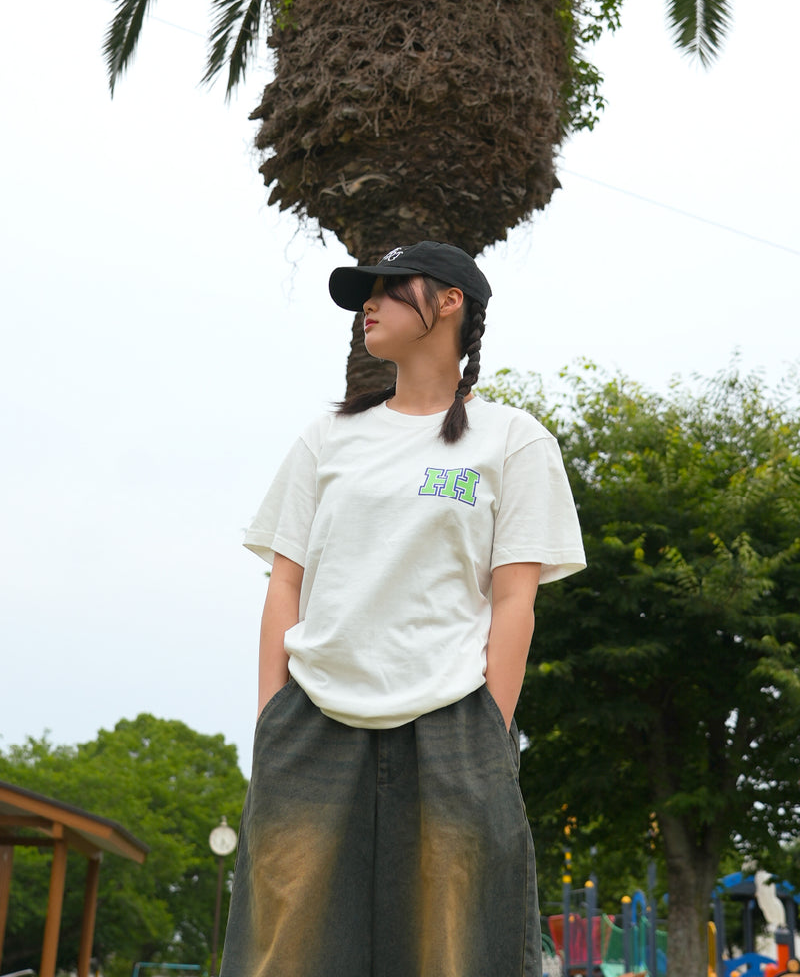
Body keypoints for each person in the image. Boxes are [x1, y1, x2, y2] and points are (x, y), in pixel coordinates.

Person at [220, 241, 586, 977]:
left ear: (450, 301)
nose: (369, 304)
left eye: (389, 288)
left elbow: (516, 598)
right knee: (285, 954)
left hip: (453, 721)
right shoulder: (328, 438)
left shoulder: (512, 440)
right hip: (313, 726)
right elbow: (283, 585)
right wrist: (271, 723)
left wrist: (491, 725)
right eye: (366, 292)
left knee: (458, 951)